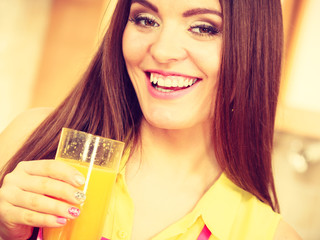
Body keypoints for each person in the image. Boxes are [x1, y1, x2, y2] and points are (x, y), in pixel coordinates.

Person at [0, 0, 302, 239]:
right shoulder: (33, 142)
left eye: (204, 27)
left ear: (253, 46)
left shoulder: (271, 235)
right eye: (146, 20)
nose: (162, 50)